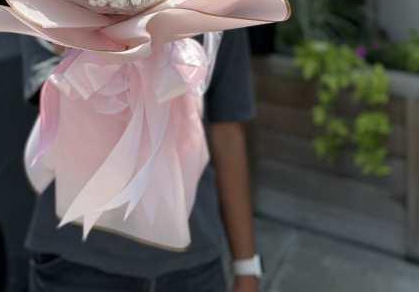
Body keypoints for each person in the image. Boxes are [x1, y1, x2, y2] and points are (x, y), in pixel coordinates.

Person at [21, 30, 262, 292]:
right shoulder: (50, 7)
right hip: (78, 258)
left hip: (194, 260)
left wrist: (246, 266)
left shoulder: (220, 7)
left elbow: (227, 129)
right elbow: (55, 90)